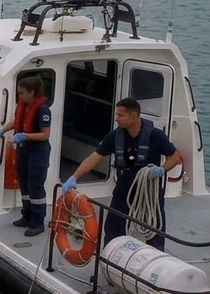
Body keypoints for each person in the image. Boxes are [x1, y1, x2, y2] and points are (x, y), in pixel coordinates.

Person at [61, 97, 183, 250]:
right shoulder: (115, 136)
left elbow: (174, 157)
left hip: (149, 189)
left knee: (154, 228)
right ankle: (110, 255)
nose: (116, 119)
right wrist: (74, 177)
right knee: (113, 226)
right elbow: (94, 158)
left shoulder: (156, 135)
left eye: (120, 115)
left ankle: (156, 256)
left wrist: (161, 170)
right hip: (125, 184)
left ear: (133, 116)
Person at [0, 75, 52, 237]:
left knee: (35, 185)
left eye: (22, 93)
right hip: (23, 149)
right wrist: (3, 130)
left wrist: (25, 136)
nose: (19, 96)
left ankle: (38, 221)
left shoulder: (43, 110)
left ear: (32, 92)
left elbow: (45, 134)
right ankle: (27, 215)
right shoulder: (24, 106)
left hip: (37, 152)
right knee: (24, 184)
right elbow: (16, 121)